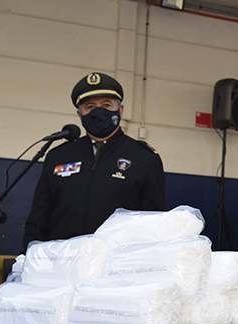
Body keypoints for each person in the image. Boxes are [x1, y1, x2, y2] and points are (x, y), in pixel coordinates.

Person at [23, 72, 166, 249]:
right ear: (79, 114)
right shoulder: (58, 156)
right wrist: (29, 256)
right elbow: (39, 216)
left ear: (120, 110)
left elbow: (154, 222)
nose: (99, 111)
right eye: (90, 106)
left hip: (116, 262)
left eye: (107, 105)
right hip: (61, 260)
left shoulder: (144, 158)